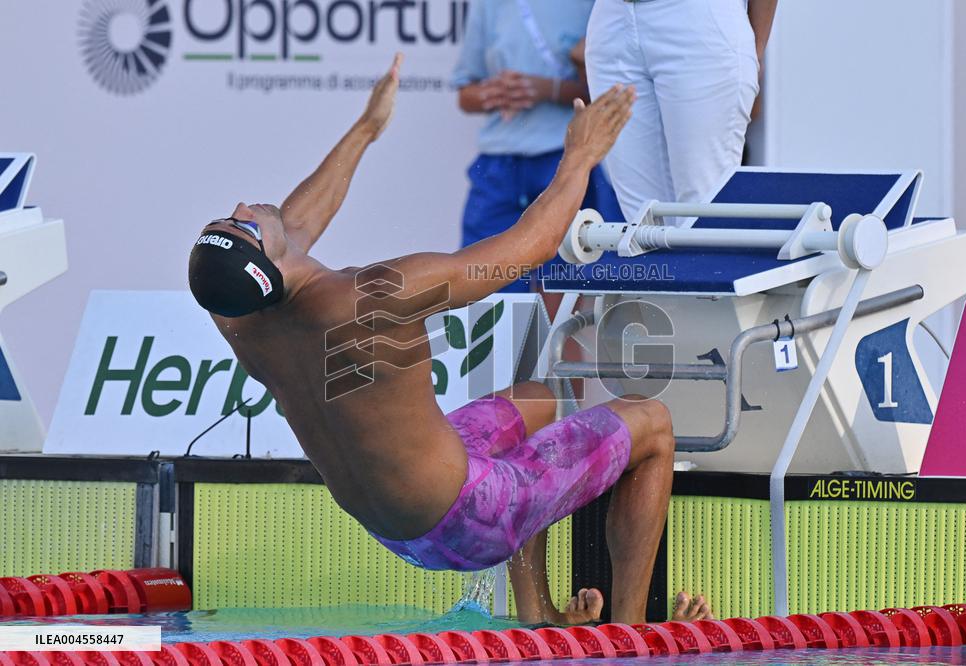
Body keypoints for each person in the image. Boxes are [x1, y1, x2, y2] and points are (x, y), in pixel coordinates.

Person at [187, 54, 711, 624]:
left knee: (538, 399)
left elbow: (292, 227)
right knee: (652, 422)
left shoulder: (238, 316)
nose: (243, 206)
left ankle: (536, 614)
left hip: (393, 526)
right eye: (242, 222)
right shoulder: (375, 296)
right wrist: (580, 157)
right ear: (267, 259)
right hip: (473, 515)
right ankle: (630, 635)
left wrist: (366, 129)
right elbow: (528, 248)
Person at [454, 0, 622, 292]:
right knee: (480, 280)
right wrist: (494, 93)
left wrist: (548, 90)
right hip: (498, 164)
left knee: (567, 284)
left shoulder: (594, 5)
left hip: (565, 158)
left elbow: (614, 92)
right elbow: (466, 94)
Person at [585, 0, 778, 223]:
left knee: (703, 209)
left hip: (698, 17)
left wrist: (754, 51)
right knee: (640, 220)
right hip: (612, 17)